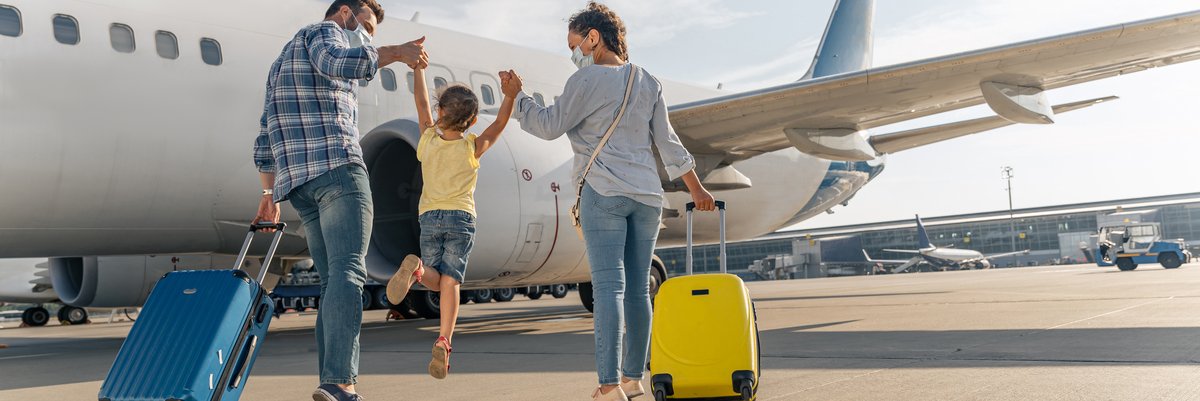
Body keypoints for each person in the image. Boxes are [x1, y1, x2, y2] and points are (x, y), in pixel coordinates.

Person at [504, 3, 715, 400]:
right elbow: (668, 144)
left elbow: (548, 126)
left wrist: (518, 99)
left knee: (608, 290)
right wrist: (696, 189)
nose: (574, 54)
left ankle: (608, 386)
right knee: (638, 292)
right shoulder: (647, 80)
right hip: (648, 197)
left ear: (593, 38)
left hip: (604, 194)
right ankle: (634, 380)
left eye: (574, 44)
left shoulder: (584, 82)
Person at [251, 1, 427, 400]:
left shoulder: (280, 64)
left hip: (300, 186)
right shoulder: (326, 33)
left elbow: (264, 137)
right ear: (345, 13)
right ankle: (340, 381)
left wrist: (268, 194)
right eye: (364, 25)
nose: (365, 36)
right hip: (337, 170)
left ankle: (331, 383)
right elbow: (338, 63)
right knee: (349, 274)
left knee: (333, 282)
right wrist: (397, 53)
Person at [383, 60, 519, 379]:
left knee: (434, 276)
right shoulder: (472, 147)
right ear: (471, 121)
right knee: (451, 280)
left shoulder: (427, 140)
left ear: (440, 111)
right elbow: (499, 124)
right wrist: (510, 96)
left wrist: (418, 69)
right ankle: (445, 338)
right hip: (461, 217)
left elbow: (420, 104)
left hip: (430, 216)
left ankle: (416, 269)